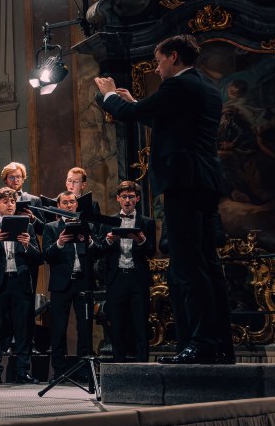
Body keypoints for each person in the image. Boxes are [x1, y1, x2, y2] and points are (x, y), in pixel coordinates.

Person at [95, 33, 233, 365]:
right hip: (203, 181)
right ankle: (217, 344)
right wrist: (135, 104)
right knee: (207, 265)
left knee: (188, 265)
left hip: (182, 182)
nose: (156, 68)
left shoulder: (179, 86)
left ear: (173, 56)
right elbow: (163, 119)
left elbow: (133, 115)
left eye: (158, 61)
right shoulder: (206, 89)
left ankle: (199, 343)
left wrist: (110, 96)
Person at [0, 187, 42, 384]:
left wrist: (27, 245)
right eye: (5, 202)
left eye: (13, 202)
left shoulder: (27, 226)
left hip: (21, 283)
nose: (10, 205)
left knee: (23, 329)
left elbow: (38, 257)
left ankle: (23, 371)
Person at [43, 191, 101, 380]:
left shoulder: (88, 227)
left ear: (77, 205)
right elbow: (47, 256)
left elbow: (99, 252)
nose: (69, 205)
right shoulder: (51, 228)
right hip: (61, 285)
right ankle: (58, 370)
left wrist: (90, 241)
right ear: (58, 206)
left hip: (83, 282)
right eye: (65, 202)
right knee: (58, 328)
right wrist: (59, 243)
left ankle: (85, 370)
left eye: (72, 202)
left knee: (85, 328)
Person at [101, 181, 156, 362]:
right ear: (118, 199)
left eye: (131, 197)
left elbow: (151, 251)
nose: (127, 200)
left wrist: (141, 240)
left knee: (140, 324)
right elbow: (100, 250)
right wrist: (109, 240)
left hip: (137, 278)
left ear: (137, 199)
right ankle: (119, 366)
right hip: (116, 279)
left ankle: (142, 366)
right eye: (124, 197)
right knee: (116, 325)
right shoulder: (109, 221)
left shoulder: (147, 222)